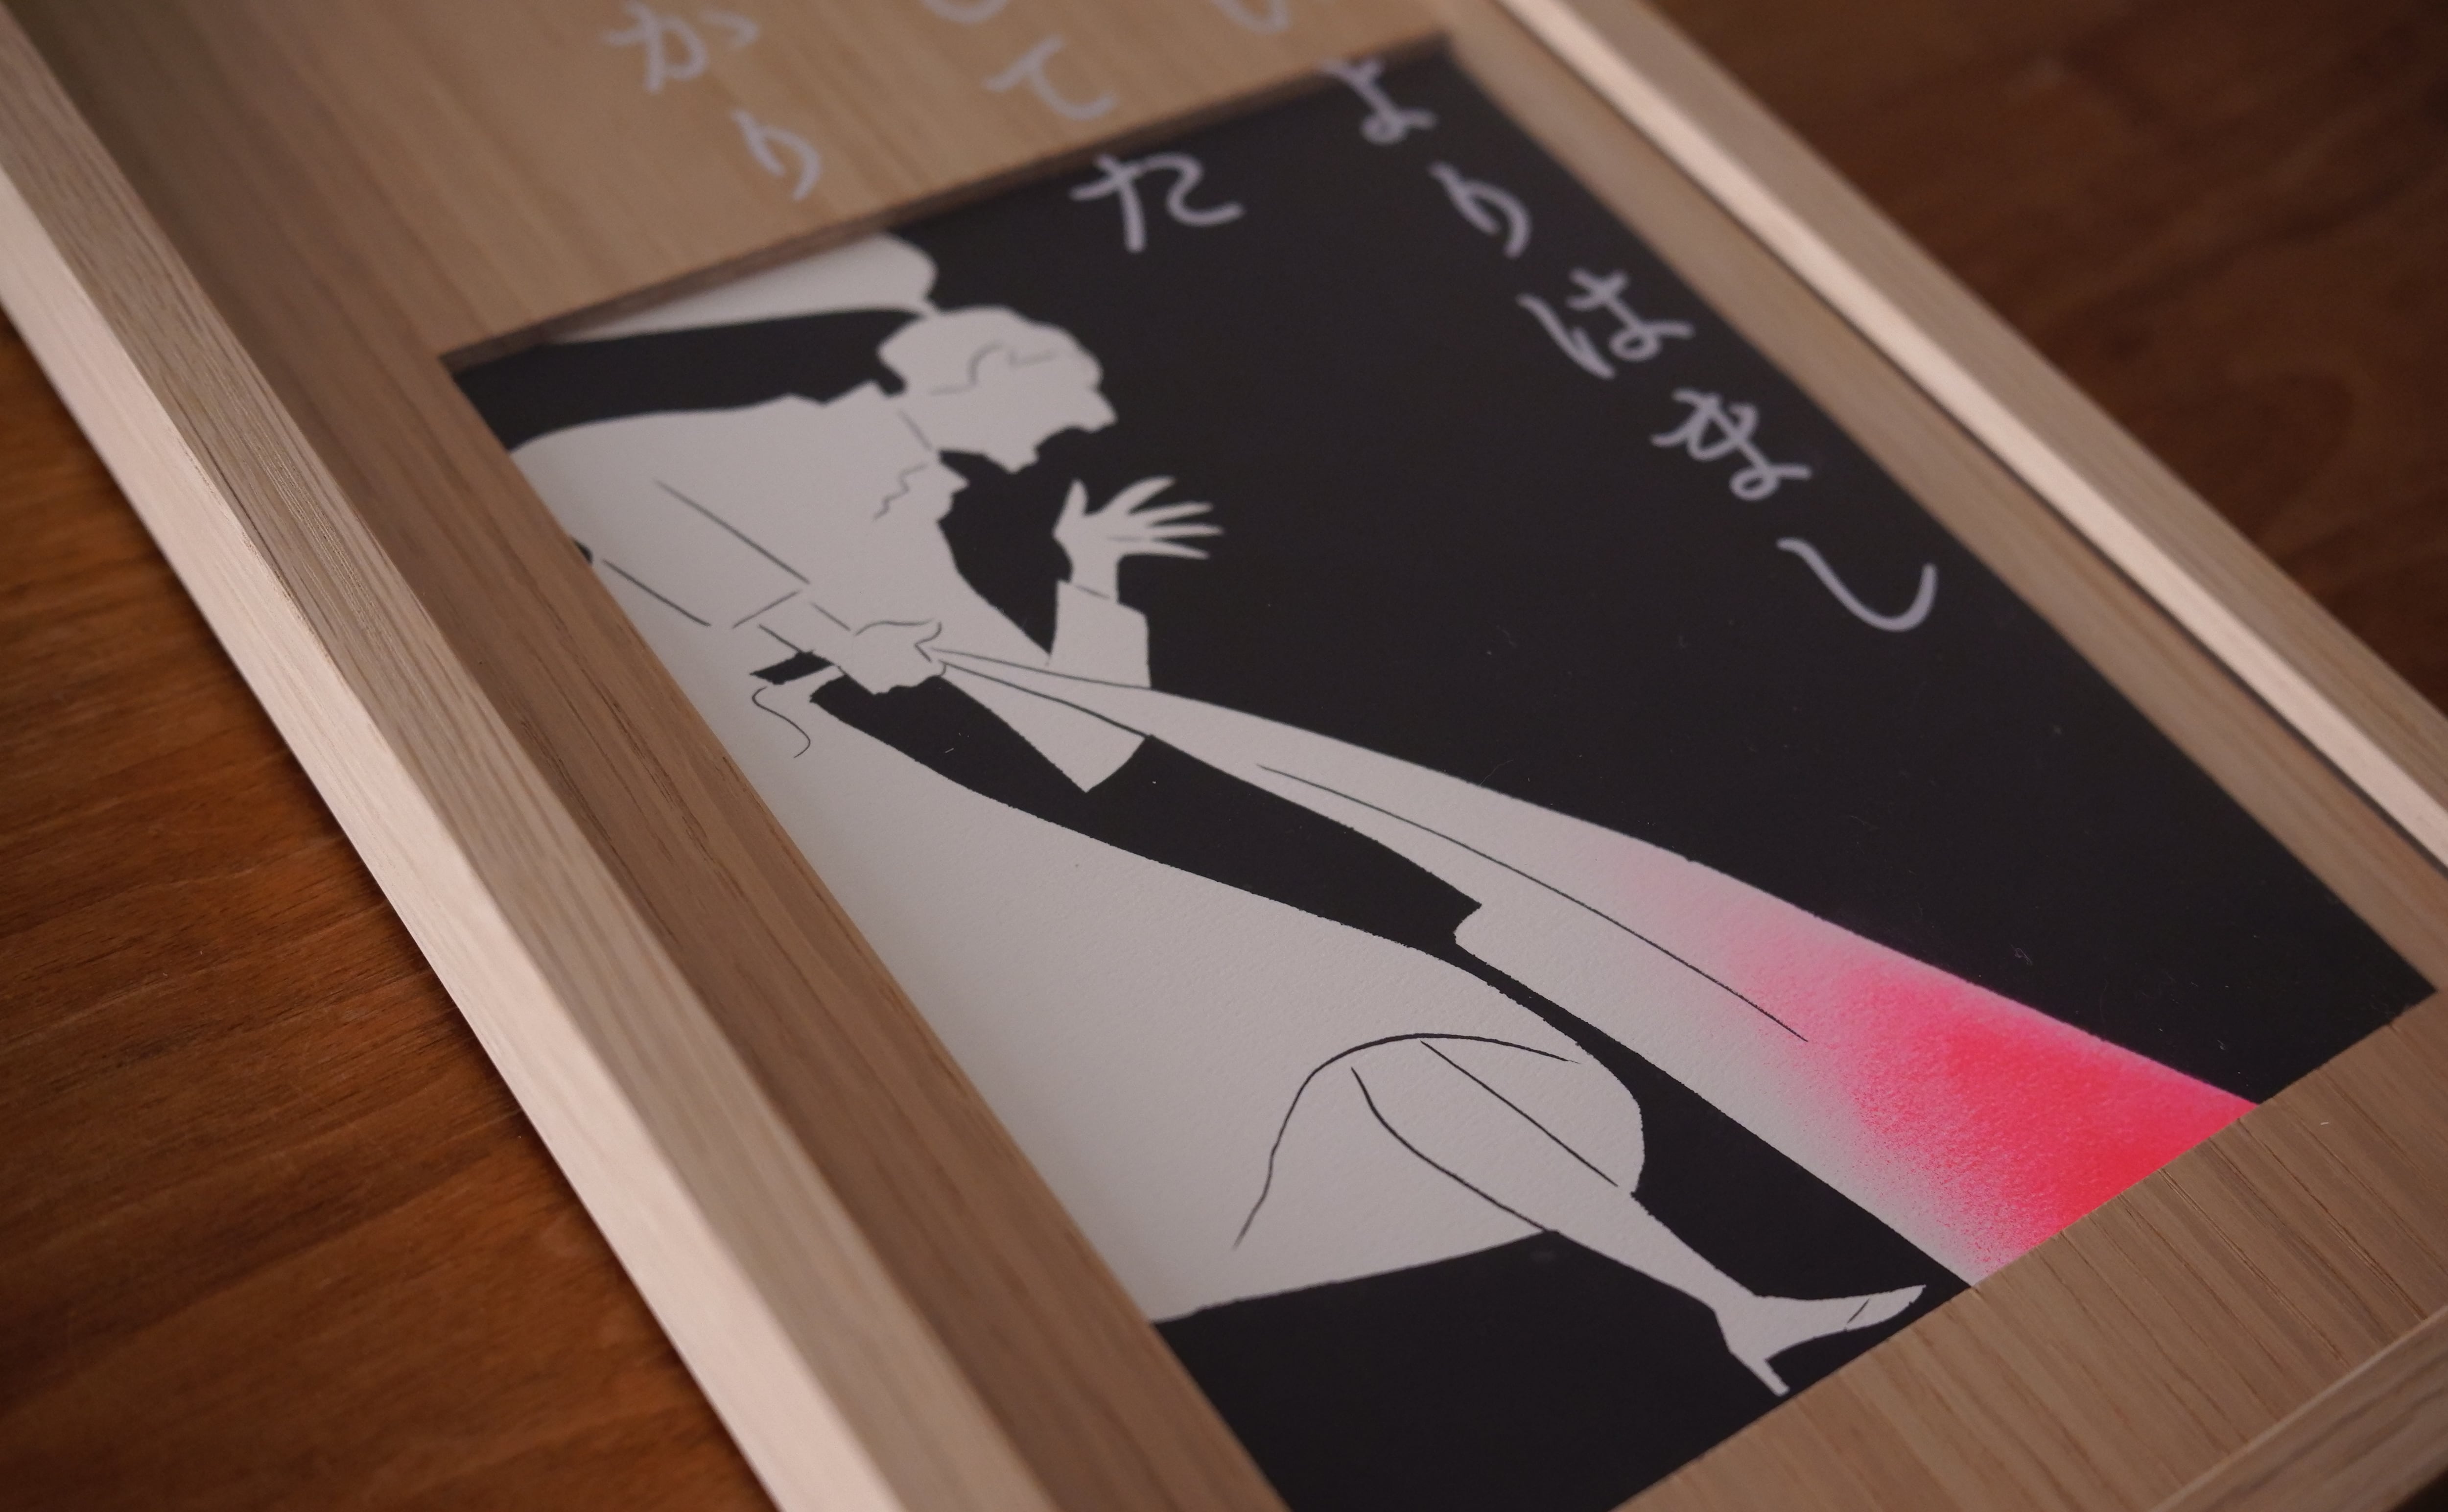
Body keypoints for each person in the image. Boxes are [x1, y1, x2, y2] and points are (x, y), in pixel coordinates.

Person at [513, 241, 1943, 1395]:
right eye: (1065, 401)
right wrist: (806, 643)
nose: (1080, 429)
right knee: (1328, 1031)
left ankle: (1731, 1300)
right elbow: (581, 539)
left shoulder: (925, 512)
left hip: (1019, 845)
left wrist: (1090, 581)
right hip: (850, 848)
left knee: (1392, 1014)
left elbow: (1084, 742)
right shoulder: (691, 450)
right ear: (982, 374)